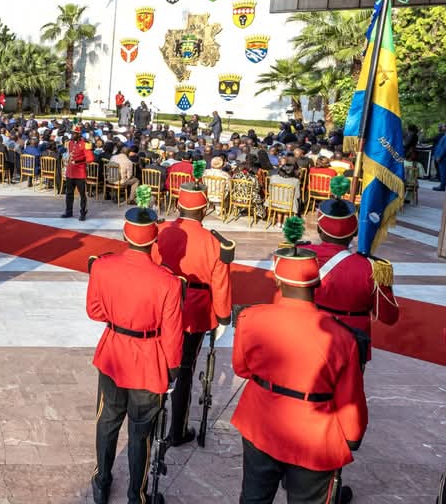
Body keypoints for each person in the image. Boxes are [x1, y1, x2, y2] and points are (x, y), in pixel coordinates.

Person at [232, 227, 367, 504]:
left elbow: (241, 369)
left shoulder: (250, 318)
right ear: (316, 284)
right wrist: (352, 437)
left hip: (261, 421)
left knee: (254, 497)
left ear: (278, 281)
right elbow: (350, 399)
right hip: (314, 435)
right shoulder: (343, 337)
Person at [87, 187, 183, 504]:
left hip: (114, 352)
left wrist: (118, 317)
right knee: (141, 433)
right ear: (154, 240)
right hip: (148, 359)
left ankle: (102, 482)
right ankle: (136, 495)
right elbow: (173, 332)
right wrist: (172, 369)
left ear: (125, 235)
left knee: (107, 421)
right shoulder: (168, 281)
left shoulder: (102, 266)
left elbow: (94, 312)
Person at [153, 179, 234, 446]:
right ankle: (177, 430)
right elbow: (220, 283)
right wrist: (223, 316)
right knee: (185, 369)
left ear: (178, 206)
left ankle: (151, 421)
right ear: (203, 209)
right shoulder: (213, 242)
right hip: (194, 311)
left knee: (158, 364)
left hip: (160, 304)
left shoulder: (161, 230)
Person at [309, 178, 400, 361]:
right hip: (352, 341)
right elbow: (388, 316)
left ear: (319, 229)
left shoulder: (302, 255)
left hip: (310, 332)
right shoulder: (372, 268)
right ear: (355, 232)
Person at [62, 126, 91, 220]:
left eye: (74, 133)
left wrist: (79, 161)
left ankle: (83, 213)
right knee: (69, 193)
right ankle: (68, 211)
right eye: (72, 133)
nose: (72, 135)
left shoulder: (84, 144)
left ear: (78, 134)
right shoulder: (69, 143)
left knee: (82, 194)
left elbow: (90, 159)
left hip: (80, 173)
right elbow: (69, 154)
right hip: (70, 172)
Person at [433, 124, 446, 191]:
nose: (441, 127)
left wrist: (440, 156)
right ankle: (442, 185)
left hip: (443, 158)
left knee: (443, 172)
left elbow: (445, 148)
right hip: (442, 157)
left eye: (443, 126)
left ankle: (442, 186)